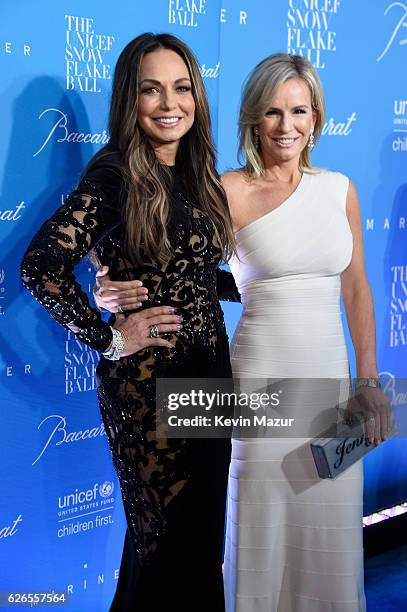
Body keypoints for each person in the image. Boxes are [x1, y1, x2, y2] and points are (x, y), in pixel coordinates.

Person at [20, 33, 239, 612]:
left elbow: (187, 270)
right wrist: (109, 334)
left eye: (182, 87)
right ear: (130, 100)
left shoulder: (195, 172)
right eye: (151, 90)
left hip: (211, 380)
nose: (170, 103)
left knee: (196, 548)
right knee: (168, 552)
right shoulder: (116, 174)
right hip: (150, 390)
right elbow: (40, 266)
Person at [220, 53, 391, 612]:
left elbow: (358, 290)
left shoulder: (339, 189)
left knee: (328, 523)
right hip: (259, 381)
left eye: (298, 110)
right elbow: (178, 271)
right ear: (252, 120)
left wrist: (368, 381)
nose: (286, 126)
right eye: (272, 112)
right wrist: (109, 286)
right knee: (263, 519)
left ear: (316, 116)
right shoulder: (227, 191)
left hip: (333, 386)